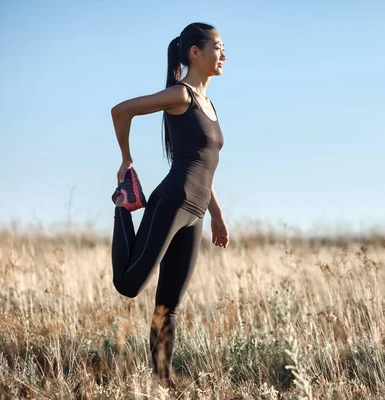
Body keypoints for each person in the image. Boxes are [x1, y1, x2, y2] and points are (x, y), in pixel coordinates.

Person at [109, 22, 229, 390]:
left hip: (194, 211)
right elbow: (121, 110)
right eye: (218, 47)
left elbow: (203, 168)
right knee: (129, 284)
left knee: (169, 304)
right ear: (195, 52)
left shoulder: (209, 104)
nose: (223, 54)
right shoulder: (182, 96)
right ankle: (121, 208)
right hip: (172, 201)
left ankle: (164, 381)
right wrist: (126, 159)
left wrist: (217, 216)